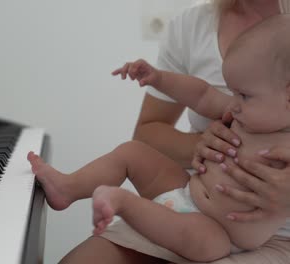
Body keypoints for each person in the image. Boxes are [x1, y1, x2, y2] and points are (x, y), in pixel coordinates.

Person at [27, 14, 290, 262]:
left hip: (221, 234)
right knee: (133, 152)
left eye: (244, 95)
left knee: (199, 241)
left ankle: (123, 202)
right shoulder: (239, 112)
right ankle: (68, 188)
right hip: (186, 191)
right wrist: (160, 79)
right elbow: (203, 95)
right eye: (233, 93)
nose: (233, 104)